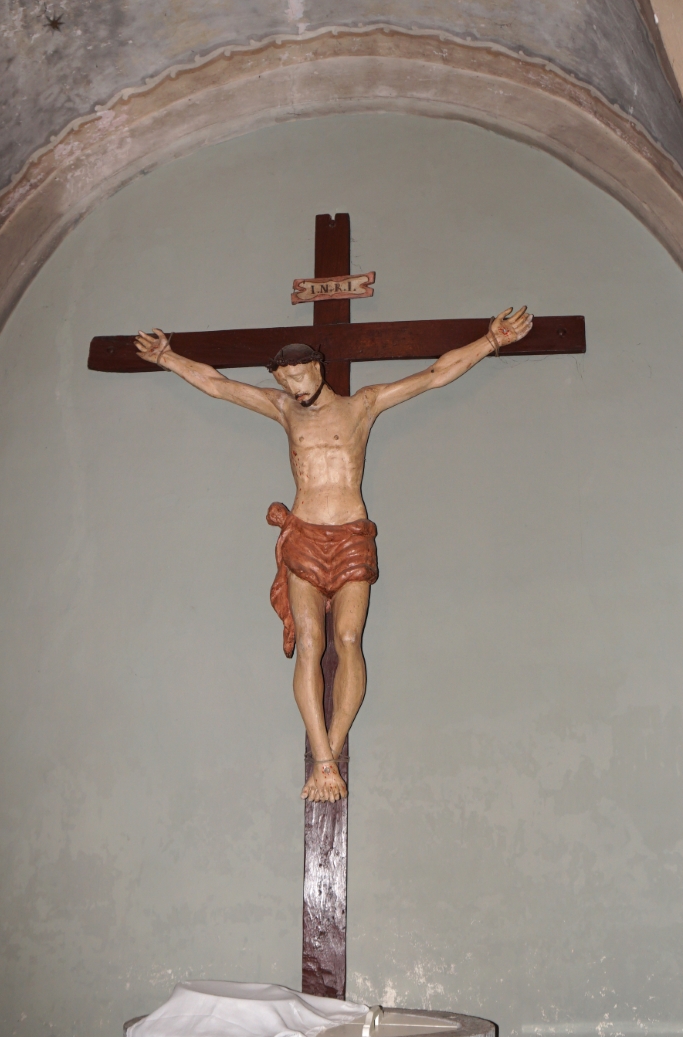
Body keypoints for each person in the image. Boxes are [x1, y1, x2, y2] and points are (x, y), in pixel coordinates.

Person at [134, 306, 533, 801]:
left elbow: (434, 375)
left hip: (349, 536)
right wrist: (167, 357)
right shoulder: (283, 409)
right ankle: (323, 761)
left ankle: (330, 755)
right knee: (309, 642)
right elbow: (217, 385)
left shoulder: (363, 404)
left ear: (318, 367)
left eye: (299, 376)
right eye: (285, 380)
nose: (294, 388)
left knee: (347, 637)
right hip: (305, 534)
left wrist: (491, 342)